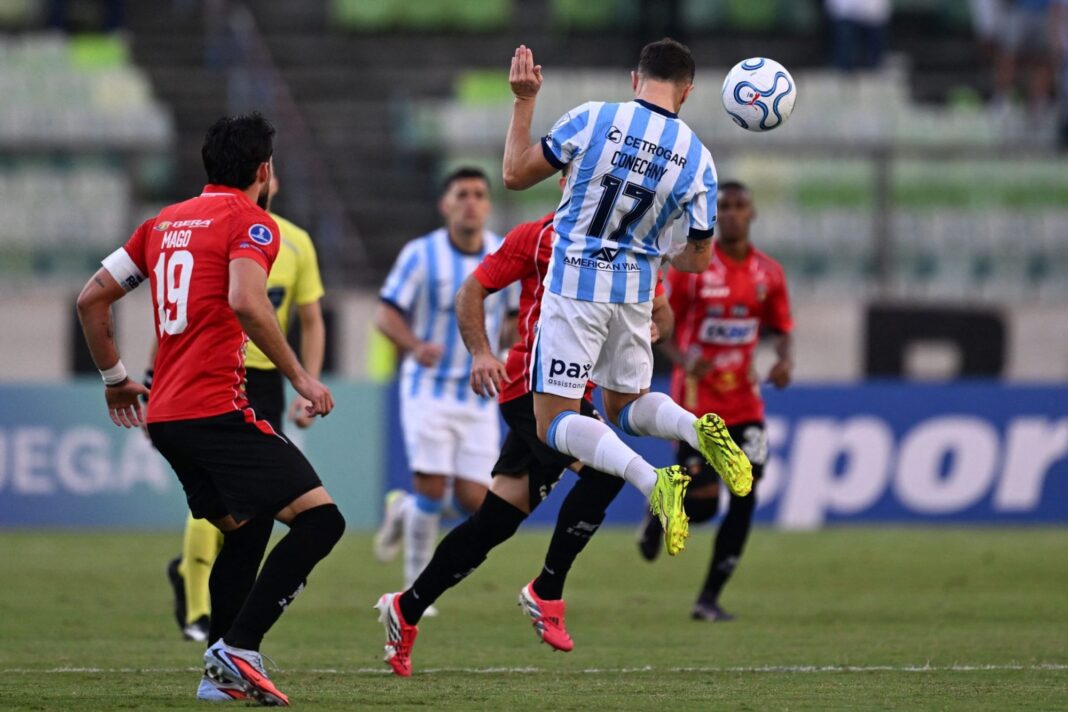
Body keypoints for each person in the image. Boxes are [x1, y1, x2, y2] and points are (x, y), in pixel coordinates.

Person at [75, 113, 344, 706]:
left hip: (166, 417)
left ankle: (217, 678)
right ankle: (237, 648)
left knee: (244, 531)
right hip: (215, 409)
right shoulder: (253, 222)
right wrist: (300, 376)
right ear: (264, 170)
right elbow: (247, 301)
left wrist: (116, 379)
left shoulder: (161, 224)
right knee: (324, 521)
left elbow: (92, 297)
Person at [375, 186, 675, 676]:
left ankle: (405, 610)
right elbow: (472, 290)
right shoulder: (538, 237)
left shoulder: (626, 247)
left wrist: (653, 326)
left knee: (494, 521)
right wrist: (481, 352)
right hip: (527, 386)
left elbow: (662, 311)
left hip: (573, 392)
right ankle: (547, 592)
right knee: (605, 473)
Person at [499, 38, 752, 559]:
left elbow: (514, 175)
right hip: (635, 293)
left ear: (635, 79)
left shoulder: (592, 119)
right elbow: (701, 259)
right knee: (626, 405)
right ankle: (695, 428)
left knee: (552, 423)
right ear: (687, 92)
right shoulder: (698, 160)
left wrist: (524, 100)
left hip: (574, 286)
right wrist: (658, 254)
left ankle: (653, 479)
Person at [164, 171, 327, 644]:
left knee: (249, 514)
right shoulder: (205, 231)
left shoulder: (295, 242)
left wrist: (303, 382)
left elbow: (312, 318)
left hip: (266, 379)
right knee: (238, 506)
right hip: (214, 377)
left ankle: (225, 641)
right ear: (260, 174)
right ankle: (203, 617)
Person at [638, 181, 793, 622]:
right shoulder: (695, 269)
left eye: (739, 206)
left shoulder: (769, 274)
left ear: (752, 213)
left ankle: (708, 598)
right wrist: (683, 357)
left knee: (745, 491)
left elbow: (781, 328)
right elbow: (661, 323)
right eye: (722, 206)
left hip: (746, 405)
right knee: (703, 504)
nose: (730, 214)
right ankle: (659, 514)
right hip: (698, 405)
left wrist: (784, 361)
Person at [372, 167, 515, 605]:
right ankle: (416, 590)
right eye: (462, 194)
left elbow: (511, 317)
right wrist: (413, 345)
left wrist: (507, 350)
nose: (471, 201)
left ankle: (404, 509)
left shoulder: (503, 252)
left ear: (488, 205)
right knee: (433, 486)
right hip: (428, 387)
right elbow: (386, 313)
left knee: (475, 499)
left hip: (479, 391)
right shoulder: (421, 254)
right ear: (445, 204)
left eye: (478, 194)